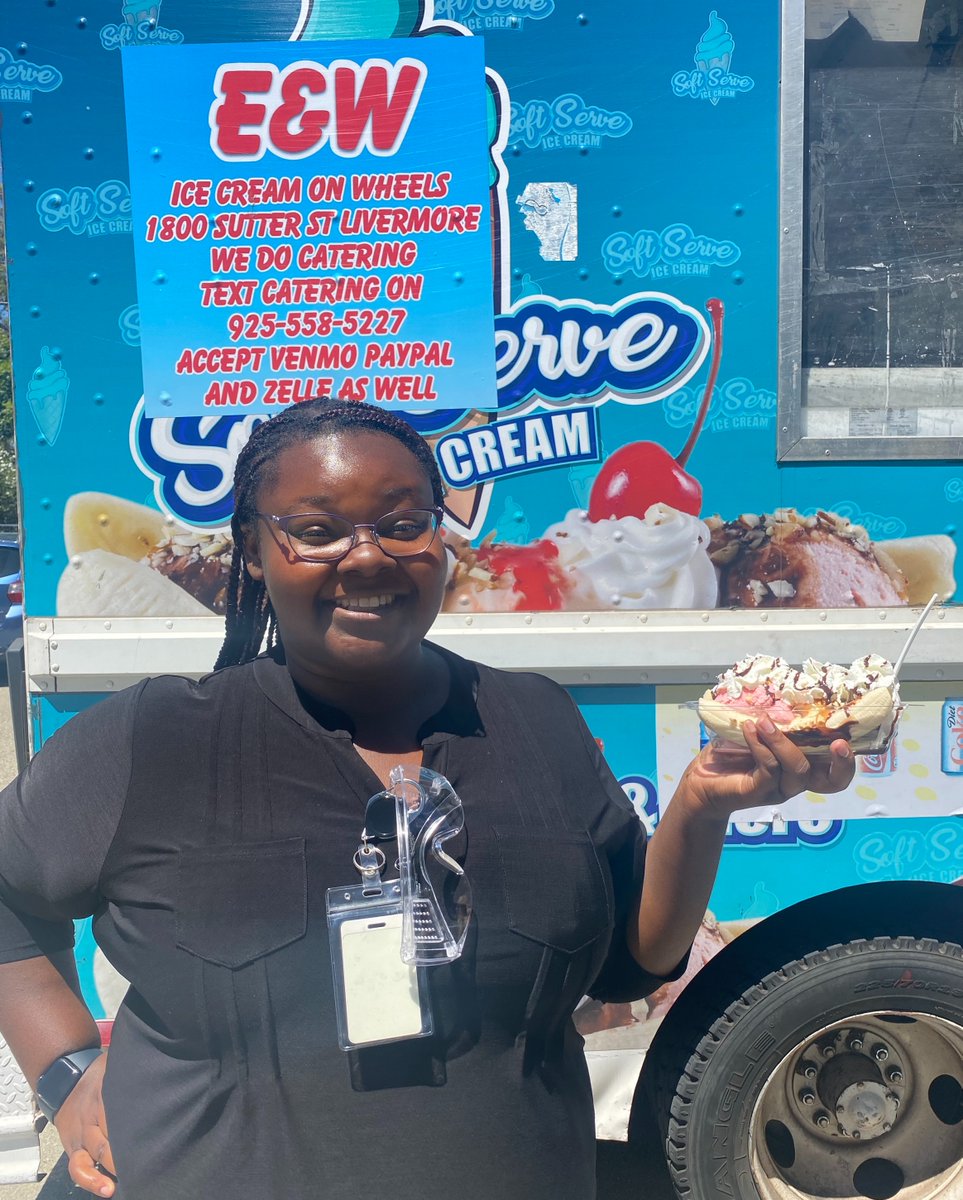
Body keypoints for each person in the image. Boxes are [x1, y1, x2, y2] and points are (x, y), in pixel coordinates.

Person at [0, 398, 855, 1199]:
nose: (368, 555)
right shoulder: (156, 741)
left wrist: (701, 808)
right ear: (254, 552)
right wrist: (67, 1073)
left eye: (404, 524)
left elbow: (631, 963)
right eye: (316, 532)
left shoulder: (533, 721)